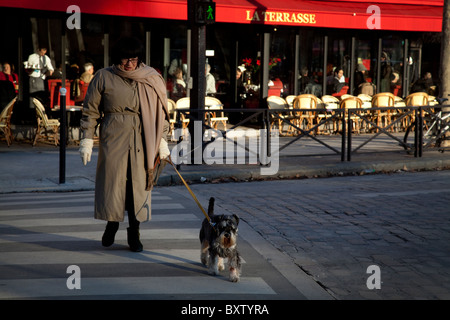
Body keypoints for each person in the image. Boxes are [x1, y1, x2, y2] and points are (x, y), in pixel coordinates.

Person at [79, 36, 170, 252]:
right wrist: (86, 140)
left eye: (133, 59)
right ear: (116, 59)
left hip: (143, 138)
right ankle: (112, 224)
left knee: (137, 187)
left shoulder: (152, 77)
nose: (129, 64)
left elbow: (161, 113)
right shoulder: (103, 76)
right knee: (114, 185)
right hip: (114, 136)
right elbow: (90, 111)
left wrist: (163, 141)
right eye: (124, 60)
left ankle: (134, 233)